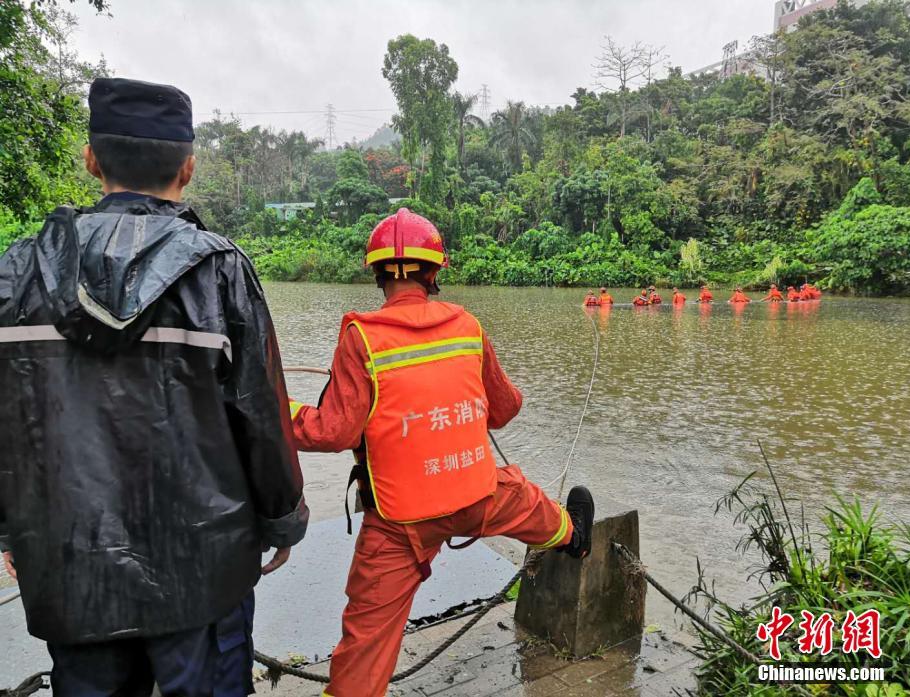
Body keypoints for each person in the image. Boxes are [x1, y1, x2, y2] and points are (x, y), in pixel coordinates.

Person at [0, 78, 308, 695]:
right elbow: (261, 416)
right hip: (204, 571)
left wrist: (10, 530)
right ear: (188, 168)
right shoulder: (220, 273)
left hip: (70, 563)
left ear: (91, 159)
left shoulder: (17, 271)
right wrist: (282, 520)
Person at [288, 209, 595, 697]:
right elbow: (506, 408)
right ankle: (574, 537)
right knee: (524, 499)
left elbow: (333, 431)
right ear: (434, 272)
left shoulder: (361, 336)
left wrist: (277, 411)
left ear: (378, 273)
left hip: (398, 523)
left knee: (365, 644)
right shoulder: (467, 326)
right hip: (476, 497)